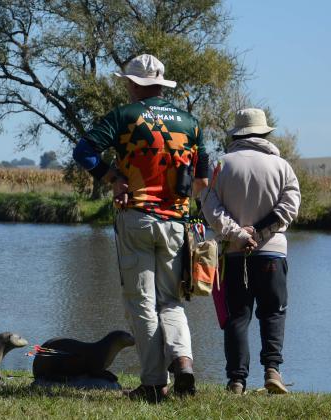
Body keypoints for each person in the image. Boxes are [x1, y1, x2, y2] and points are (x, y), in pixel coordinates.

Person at [72, 54, 209, 403]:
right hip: (177, 223)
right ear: (161, 85)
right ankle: (183, 359)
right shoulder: (190, 123)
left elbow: (84, 150)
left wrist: (114, 178)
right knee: (172, 301)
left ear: (134, 84)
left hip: (136, 217)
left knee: (141, 303)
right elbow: (201, 179)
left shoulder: (124, 116)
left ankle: (153, 383)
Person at [199, 108, 301, 395]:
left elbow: (210, 206)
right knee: (273, 313)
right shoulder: (282, 167)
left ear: (237, 134)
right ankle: (272, 370)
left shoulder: (219, 166)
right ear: (265, 133)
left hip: (234, 254)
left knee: (237, 317)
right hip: (272, 254)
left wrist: (239, 235)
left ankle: (236, 381)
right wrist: (260, 232)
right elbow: (289, 208)